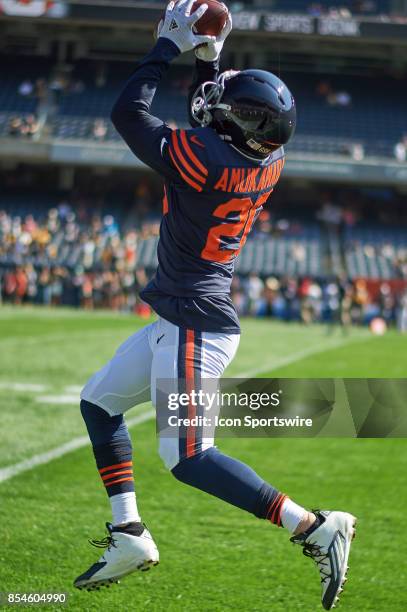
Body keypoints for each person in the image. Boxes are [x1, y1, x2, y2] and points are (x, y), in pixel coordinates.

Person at [74, 2, 356, 609]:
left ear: (233, 127)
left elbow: (130, 113)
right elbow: (214, 122)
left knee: (189, 457)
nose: (213, 106)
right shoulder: (265, 158)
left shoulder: (207, 154)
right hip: (184, 315)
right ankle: (128, 533)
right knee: (98, 404)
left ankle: (313, 526)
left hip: (195, 324)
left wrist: (165, 47)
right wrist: (212, 58)